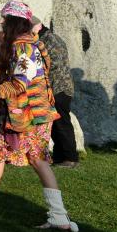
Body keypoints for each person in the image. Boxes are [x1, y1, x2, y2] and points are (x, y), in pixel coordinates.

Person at [0, 0, 78, 231]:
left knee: (37, 160)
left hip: (30, 117)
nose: (1, 21)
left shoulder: (24, 49)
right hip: (25, 115)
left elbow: (20, 84)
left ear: (13, 22)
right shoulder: (27, 45)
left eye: (5, 18)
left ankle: (59, 217)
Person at [36, 18, 79, 168]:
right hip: (57, 88)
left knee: (62, 124)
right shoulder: (47, 38)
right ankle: (61, 156)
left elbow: (55, 65)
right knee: (55, 124)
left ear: (37, 27)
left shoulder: (50, 39)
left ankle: (70, 158)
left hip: (59, 88)